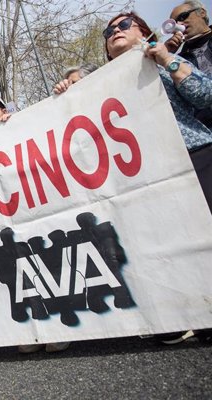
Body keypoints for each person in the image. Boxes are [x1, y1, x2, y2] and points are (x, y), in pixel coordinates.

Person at [57, 11, 212, 344]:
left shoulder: (165, 62)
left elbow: (206, 97)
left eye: (124, 25)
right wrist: (64, 98)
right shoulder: (97, 89)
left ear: (143, 32)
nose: (115, 31)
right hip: (146, 176)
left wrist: (167, 60)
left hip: (195, 156)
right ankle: (187, 315)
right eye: (108, 31)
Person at [166, 1, 212, 129]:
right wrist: (166, 54)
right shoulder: (178, 60)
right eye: (174, 24)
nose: (179, 25)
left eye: (182, 17)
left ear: (201, 13)